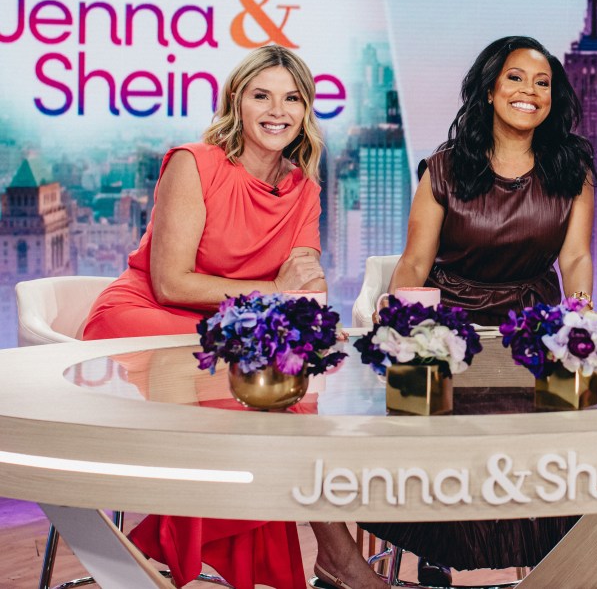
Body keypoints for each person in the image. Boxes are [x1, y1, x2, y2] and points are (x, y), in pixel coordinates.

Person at [82, 46, 384, 589]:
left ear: (306, 110)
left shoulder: (304, 190)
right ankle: (336, 556)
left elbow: (306, 285)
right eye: (261, 94)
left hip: (233, 335)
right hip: (143, 317)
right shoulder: (194, 163)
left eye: (292, 98)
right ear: (237, 102)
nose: (278, 110)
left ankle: (187, 552)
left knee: (274, 390)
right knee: (256, 379)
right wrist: (274, 293)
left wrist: (310, 315)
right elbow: (172, 282)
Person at [337, 36, 597, 585]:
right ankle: (436, 549)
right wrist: (401, 327)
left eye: (542, 82)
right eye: (516, 78)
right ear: (488, 89)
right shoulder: (446, 167)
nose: (530, 91)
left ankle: (551, 563)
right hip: (449, 324)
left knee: (566, 414)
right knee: (434, 409)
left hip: (532, 325)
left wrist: (578, 320)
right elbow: (413, 263)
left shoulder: (573, 167)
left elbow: (575, 258)